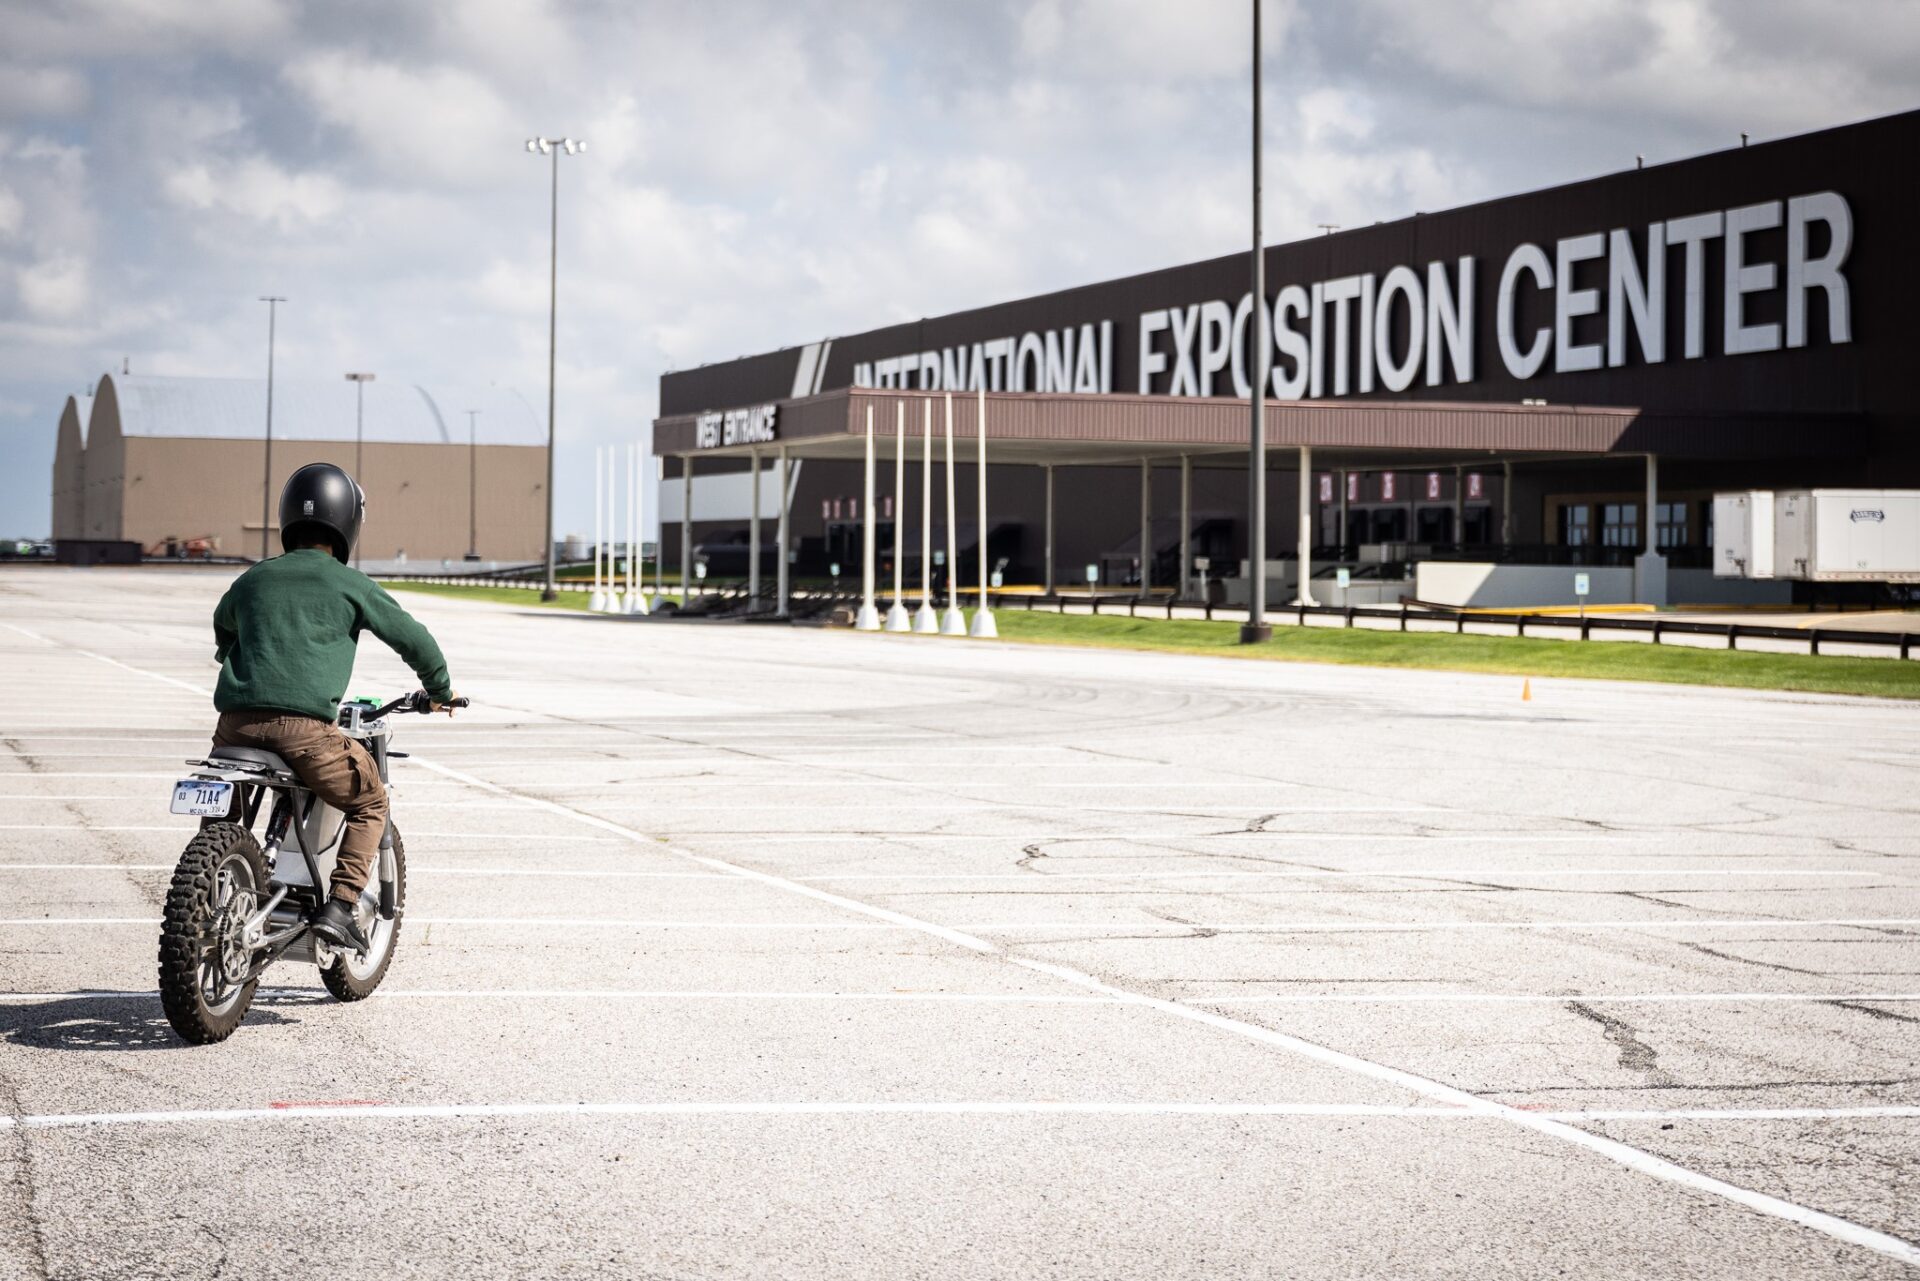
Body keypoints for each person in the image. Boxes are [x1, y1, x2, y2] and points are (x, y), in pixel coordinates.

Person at [210, 462, 460, 952]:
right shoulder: (350, 583)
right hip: (303, 733)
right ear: (348, 521)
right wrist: (440, 689)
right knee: (371, 801)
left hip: (233, 727)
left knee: (226, 818)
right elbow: (414, 639)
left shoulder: (253, 579)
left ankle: (210, 889)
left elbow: (224, 629)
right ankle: (341, 908)